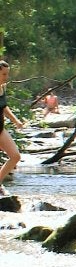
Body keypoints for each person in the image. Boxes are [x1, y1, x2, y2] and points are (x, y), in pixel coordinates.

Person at [0, 61, 24, 194]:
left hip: (0, 129)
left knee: (15, 156)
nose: (6, 77)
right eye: (4, 74)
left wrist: (16, 121)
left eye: (7, 74)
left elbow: (4, 107)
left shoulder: (2, 87)